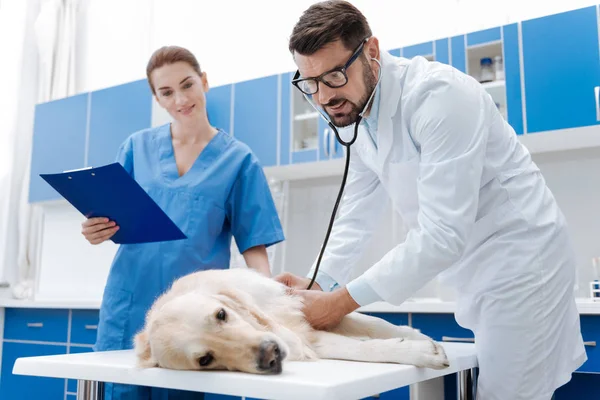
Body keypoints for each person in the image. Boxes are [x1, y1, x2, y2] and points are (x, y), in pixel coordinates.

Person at [275, 1, 587, 399]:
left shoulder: (439, 96)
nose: (322, 97)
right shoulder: (360, 114)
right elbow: (355, 211)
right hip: (476, 275)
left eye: (334, 75)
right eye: (309, 82)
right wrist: (319, 282)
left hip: (523, 267)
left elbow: (441, 235)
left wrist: (337, 303)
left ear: (371, 51)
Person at [81, 45, 285, 400]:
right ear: (157, 99)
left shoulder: (238, 160)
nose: (180, 99)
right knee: (118, 391)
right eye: (167, 92)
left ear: (204, 82)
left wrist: (270, 307)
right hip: (129, 306)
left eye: (187, 85)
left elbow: (254, 243)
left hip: (197, 321)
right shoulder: (135, 148)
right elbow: (110, 216)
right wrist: (94, 230)